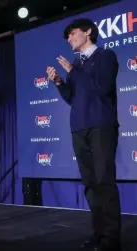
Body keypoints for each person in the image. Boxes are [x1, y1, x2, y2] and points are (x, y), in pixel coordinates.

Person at [46, 18, 120, 251]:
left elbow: (101, 86)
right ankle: (98, 234)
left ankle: (111, 239)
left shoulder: (105, 57)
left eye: (72, 33)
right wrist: (59, 82)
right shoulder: (76, 67)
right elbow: (72, 98)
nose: (69, 39)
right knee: (89, 184)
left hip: (101, 126)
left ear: (88, 32)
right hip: (79, 127)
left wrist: (73, 71)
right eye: (67, 36)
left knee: (103, 181)